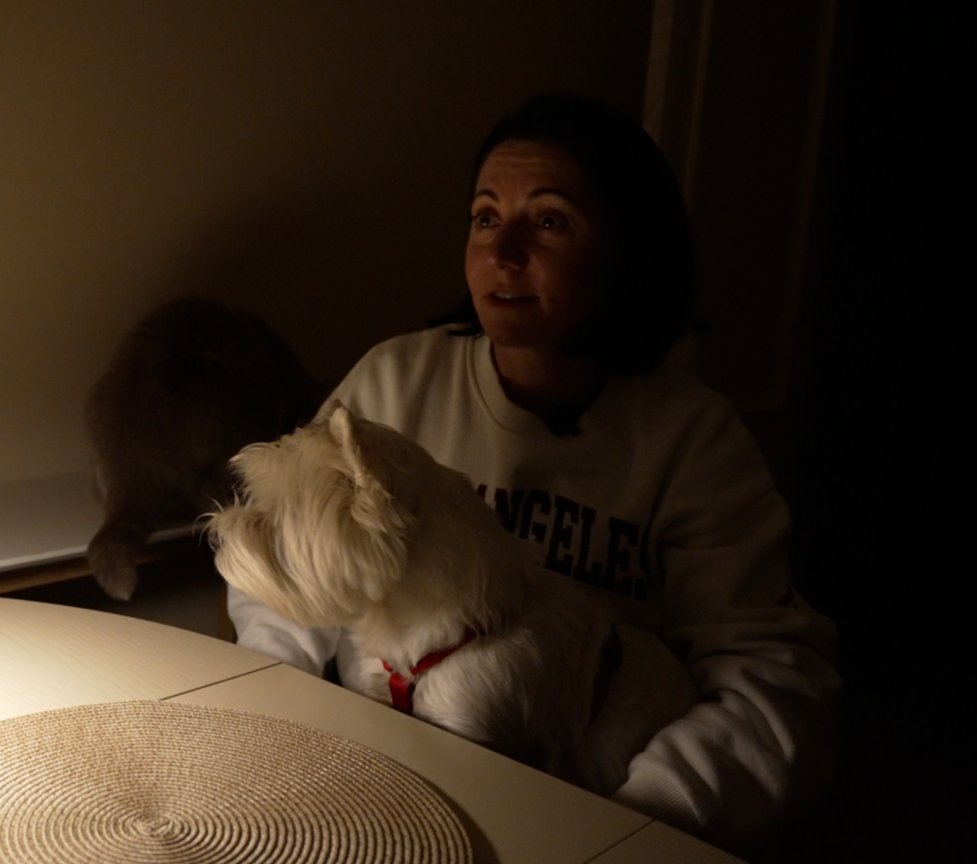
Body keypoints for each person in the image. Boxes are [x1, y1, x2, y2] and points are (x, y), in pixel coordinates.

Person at [227, 94, 841, 852]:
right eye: (486, 217)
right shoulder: (396, 383)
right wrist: (275, 725)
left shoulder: (694, 439)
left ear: (627, 248)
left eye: (549, 221)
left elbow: (771, 686)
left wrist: (631, 826)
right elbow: (292, 574)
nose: (502, 252)